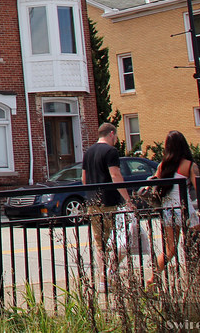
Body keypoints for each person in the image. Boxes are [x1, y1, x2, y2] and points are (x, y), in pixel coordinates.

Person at [146, 130, 200, 287]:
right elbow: (199, 189)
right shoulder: (189, 166)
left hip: (168, 210)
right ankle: (197, 279)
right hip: (185, 209)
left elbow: (156, 187)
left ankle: (152, 278)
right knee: (196, 244)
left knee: (170, 249)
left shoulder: (162, 166)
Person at [82, 122, 130, 289]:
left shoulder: (88, 152)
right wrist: (128, 200)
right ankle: (111, 273)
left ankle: (103, 279)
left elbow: (84, 178)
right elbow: (115, 175)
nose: (116, 139)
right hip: (108, 202)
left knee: (100, 243)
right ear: (111, 134)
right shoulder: (111, 151)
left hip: (92, 202)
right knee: (118, 242)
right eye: (116, 136)